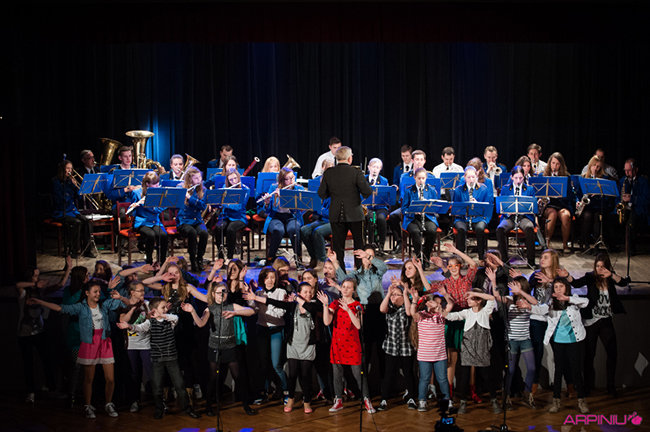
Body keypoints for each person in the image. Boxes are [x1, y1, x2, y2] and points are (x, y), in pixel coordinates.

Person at [29, 279, 128, 419]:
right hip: (90, 343)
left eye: (99, 292)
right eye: (95, 292)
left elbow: (125, 303)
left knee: (110, 379)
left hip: (104, 342)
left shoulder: (104, 305)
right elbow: (60, 308)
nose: (98, 294)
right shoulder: (81, 307)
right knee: (89, 378)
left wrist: (119, 296)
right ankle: (88, 405)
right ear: (87, 293)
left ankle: (108, 404)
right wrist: (40, 301)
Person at [117, 297, 201, 419]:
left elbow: (175, 318)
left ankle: (187, 408)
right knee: (157, 387)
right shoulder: (150, 322)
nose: (166, 309)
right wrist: (129, 326)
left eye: (165, 307)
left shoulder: (169, 320)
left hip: (171, 358)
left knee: (180, 385)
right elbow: (140, 328)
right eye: (163, 307)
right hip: (157, 360)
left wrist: (162, 315)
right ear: (154, 310)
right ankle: (159, 408)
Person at [183, 281, 257, 415]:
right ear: (213, 294)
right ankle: (208, 406)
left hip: (230, 346)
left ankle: (246, 406)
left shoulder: (231, 306)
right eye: (218, 293)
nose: (221, 295)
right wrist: (193, 311)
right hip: (215, 347)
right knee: (213, 378)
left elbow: (251, 311)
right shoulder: (210, 308)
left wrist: (235, 313)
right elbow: (200, 323)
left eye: (224, 292)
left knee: (238, 377)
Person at [245, 281, 321, 413]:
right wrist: (255, 297)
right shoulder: (293, 306)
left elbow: (311, 308)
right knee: (292, 375)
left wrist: (297, 298)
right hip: (293, 346)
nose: (308, 294)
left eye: (310, 292)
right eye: (305, 292)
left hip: (308, 347)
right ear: (299, 293)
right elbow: (275, 302)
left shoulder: (314, 306)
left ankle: (307, 401)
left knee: (305, 375)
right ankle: (291, 398)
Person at [566, 253, 629, 397]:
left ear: (607, 266)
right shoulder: (590, 276)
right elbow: (576, 283)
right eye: (597, 266)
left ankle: (611, 386)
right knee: (589, 356)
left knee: (612, 353)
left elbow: (624, 283)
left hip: (606, 320)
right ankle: (587, 386)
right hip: (592, 321)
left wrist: (611, 275)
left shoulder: (610, 278)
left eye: (602, 266)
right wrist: (567, 275)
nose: (599, 269)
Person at [529, 278, 590, 414]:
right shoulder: (551, 303)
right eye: (556, 287)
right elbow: (540, 310)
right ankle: (556, 401)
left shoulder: (574, 300)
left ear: (566, 288)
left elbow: (586, 302)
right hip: (558, 341)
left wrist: (567, 298)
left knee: (576, 371)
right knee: (558, 371)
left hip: (574, 341)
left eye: (561, 286)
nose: (558, 289)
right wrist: (528, 307)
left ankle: (581, 401)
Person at [317, 278, 376, 414]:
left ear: (353, 290)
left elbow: (358, 325)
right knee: (337, 373)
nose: (345, 289)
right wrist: (325, 305)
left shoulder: (357, 305)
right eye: (343, 286)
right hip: (337, 344)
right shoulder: (335, 303)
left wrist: (349, 310)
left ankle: (367, 400)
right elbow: (326, 322)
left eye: (349, 287)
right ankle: (338, 400)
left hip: (352, 345)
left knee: (359, 374)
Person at [17, 259, 72, 403]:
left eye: (38, 275)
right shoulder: (24, 292)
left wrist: (68, 269)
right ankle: (30, 392)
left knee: (47, 359)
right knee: (28, 363)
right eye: (35, 276)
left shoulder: (40, 291)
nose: (38, 278)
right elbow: (18, 285)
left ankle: (50, 386)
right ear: (30, 277)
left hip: (39, 332)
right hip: (25, 333)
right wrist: (34, 284)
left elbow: (60, 285)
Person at [428, 243, 479, 397]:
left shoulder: (467, 280)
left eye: (455, 265)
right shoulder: (445, 282)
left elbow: (473, 264)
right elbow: (428, 288)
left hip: (467, 318)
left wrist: (456, 250)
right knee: (451, 358)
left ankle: (472, 389)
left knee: (470, 357)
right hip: (451, 319)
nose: (453, 268)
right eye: (450, 266)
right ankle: (448, 391)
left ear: (459, 266)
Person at [446, 288, 501, 414]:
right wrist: (440, 310)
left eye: (471, 299)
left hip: (482, 348)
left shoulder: (485, 311)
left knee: (487, 375)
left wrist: (475, 293)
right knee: (464, 376)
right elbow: (451, 316)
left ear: (478, 300)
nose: (468, 300)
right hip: (468, 347)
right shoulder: (467, 312)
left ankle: (494, 400)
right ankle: (463, 402)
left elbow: (492, 298)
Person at [318, 146, 372, 269]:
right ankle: (360, 270)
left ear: (336, 158)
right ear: (349, 158)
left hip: (336, 215)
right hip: (355, 214)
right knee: (359, 245)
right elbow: (367, 191)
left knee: (338, 247)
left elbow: (321, 194)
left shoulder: (329, 173)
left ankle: (340, 272)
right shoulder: (356, 172)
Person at [490, 274, 537, 409]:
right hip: (512, 340)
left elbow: (535, 303)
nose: (513, 288)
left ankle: (527, 394)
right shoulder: (510, 300)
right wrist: (493, 281)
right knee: (510, 370)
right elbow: (497, 296)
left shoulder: (528, 301)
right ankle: (506, 397)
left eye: (516, 285)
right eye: (513, 285)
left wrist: (521, 293)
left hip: (525, 339)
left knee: (532, 368)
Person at [404, 289, 452, 412]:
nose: (436, 305)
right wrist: (415, 300)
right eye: (434, 302)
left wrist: (444, 295)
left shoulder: (441, 316)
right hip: (424, 355)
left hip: (440, 355)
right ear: (427, 303)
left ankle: (447, 400)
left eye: (439, 303)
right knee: (424, 379)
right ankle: (422, 401)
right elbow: (412, 312)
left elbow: (450, 305)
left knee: (442, 379)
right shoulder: (422, 315)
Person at [248, 266, 289, 402]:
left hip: (276, 330)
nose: (270, 280)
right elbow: (254, 309)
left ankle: (286, 391)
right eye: (267, 278)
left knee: (276, 364)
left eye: (272, 277)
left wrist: (264, 305)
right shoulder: (259, 293)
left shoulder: (281, 292)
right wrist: (251, 299)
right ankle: (264, 392)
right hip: (262, 329)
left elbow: (280, 313)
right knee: (263, 363)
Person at [377, 283, 417, 411]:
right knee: (388, 373)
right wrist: (389, 293)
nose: (393, 297)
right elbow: (382, 309)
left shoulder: (406, 307)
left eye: (396, 294)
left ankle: (411, 397)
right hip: (391, 346)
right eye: (392, 295)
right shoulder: (389, 307)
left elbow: (408, 313)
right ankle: (384, 399)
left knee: (408, 372)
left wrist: (404, 293)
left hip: (406, 347)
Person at [116, 281, 152, 413]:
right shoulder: (124, 306)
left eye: (143, 290)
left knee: (151, 372)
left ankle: (158, 400)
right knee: (134, 374)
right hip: (131, 345)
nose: (143, 293)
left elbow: (150, 321)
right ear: (132, 292)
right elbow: (123, 321)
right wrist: (133, 308)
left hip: (145, 344)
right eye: (140, 290)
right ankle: (134, 401)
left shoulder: (147, 304)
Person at [262, 167, 305, 265]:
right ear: (282, 180)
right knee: (278, 230)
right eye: (287, 179)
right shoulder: (274, 187)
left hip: (292, 217)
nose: (291, 181)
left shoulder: (299, 189)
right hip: (276, 217)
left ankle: (298, 260)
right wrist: (267, 202)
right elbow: (268, 210)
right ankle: (270, 259)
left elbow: (299, 209)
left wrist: (284, 197)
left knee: (294, 229)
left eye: (292, 178)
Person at [496, 165, 537, 267]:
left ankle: (531, 261)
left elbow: (533, 208)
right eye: (516, 178)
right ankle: (504, 261)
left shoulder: (530, 189)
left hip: (524, 217)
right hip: (510, 217)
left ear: (524, 177)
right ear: (511, 177)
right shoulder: (505, 189)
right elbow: (501, 206)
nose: (518, 181)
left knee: (529, 228)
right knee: (500, 229)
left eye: (521, 178)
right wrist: (508, 212)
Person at [52, 160, 94, 258]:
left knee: (87, 221)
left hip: (72, 211)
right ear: (62, 169)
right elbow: (61, 199)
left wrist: (76, 187)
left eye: (71, 168)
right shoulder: (56, 182)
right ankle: (74, 251)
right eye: (67, 168)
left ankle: (87, 250)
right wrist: (70, 186)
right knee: (77, 222)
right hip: (60, 212)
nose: (70, 171)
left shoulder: (70, 182)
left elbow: (79, 198)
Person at [576, 155, 617, 251]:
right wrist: (578, 201)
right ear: (590, 165)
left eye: (598, 166)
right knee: (587, 216)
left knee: (597, 217)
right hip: (587, 206)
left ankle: (596, 245)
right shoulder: (583, 177)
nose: (596, 168)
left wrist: (599, 192)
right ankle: (585, 243)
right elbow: (578, 193)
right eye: (594, 165)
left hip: (599, 205)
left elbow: (609, 196)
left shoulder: (604, 178)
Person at [128, 171, 168, 264]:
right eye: (154, 184)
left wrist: (147, 205)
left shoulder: (159, 193)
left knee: (163, 235)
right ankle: (149, 261)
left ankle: (162, 261)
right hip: (141, 222)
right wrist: (133, 207)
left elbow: (158, 209)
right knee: (151, 235)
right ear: (147, 184)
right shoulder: (137, 193)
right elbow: (131, 213)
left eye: (158, 184)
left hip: (154, 221)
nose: (157, 186)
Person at [453, 166, 492, 261]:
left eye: (473, 177)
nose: (471, 179)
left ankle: (481, 257)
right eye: (469, 177)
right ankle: (461, 257)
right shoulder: (458, 190)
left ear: (476, 177)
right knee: (461, 229)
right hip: (462, 218)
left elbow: (487, 207)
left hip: (479, 218)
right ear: (465, 178)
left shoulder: (483, 189)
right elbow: (455, 208)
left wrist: (477, 204)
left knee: (480, 228)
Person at [402, 167, 439, 266]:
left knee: (431, 231)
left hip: (427, 217)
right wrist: (413, 211)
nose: (421, 181)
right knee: (415, 232)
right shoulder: (409, 191)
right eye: (419, 178)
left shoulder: (431, 190)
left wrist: (428, 208)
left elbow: (436, 206)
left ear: (426, 178)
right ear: (415, 178)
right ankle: (419, 258)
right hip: (412, 218)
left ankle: (426, 256)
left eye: (423, 178)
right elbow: (404, 209)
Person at [211, 168, 250, 260]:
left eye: (235, 178)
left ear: (238, 178)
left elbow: (238, 207)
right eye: (231, 180)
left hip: (239, 217)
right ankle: (221, 256)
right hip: (226, 216)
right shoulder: (225, 187)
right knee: (218, 228)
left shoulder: (245, 190)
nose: (233, 181)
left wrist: (225, 204)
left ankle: (229, 257)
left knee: (230, 229)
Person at [542, 152, 575, 254]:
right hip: (549, 204)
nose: (555, 166)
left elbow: (570, 195)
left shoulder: (566, 177)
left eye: (557, 164)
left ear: (561, 165)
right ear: (549, 163)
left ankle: (565, 244)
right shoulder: (544, 175)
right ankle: (547, 243)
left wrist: (562, 194)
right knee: (553, 214)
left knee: (566, 216)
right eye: (553, 163)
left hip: (562, 204)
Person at [301, 160, 332, 269]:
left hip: (334, 222)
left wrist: (319, 209)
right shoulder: (322, 192)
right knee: (304, 230)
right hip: (323, 220)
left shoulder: (336, 193)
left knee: (317, 232)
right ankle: (314, 257)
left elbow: (332, 213)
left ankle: (321, 260)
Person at [176, 166, 208, 271]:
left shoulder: (203, 190)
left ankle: (200, 258)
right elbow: (175, 204)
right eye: (196, 178)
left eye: (200, 177)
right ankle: (192, 259)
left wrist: (190, 198)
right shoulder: (181, 188)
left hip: (197, 220)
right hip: (184, 221)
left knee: (204, 233)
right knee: (192, 233)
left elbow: (202, 206)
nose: (199, 180)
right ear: (190, 179)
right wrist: (183, 195)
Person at [619, 158, 650, 255]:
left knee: (631, 221)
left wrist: (631, 198)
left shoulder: (643, 181)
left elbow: (646, 199)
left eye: (629, 170)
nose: (627, 173)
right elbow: (618, 196)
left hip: (638, 209)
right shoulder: (623, 181)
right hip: (625, 208)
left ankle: (630, 249)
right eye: (625, 170)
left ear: (636, 170)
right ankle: (613, 246)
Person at [364, 158, 391, 254]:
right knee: (370, 218)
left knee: (381, 218)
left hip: (380, 207)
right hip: (368, 207)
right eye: (373, 167)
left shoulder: (384, 180)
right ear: (369, 167)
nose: (375, 169)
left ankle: (381, 245)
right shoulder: (363, 179)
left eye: (377, 167)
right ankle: (370, 244)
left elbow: (387, 197)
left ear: (380, 169)